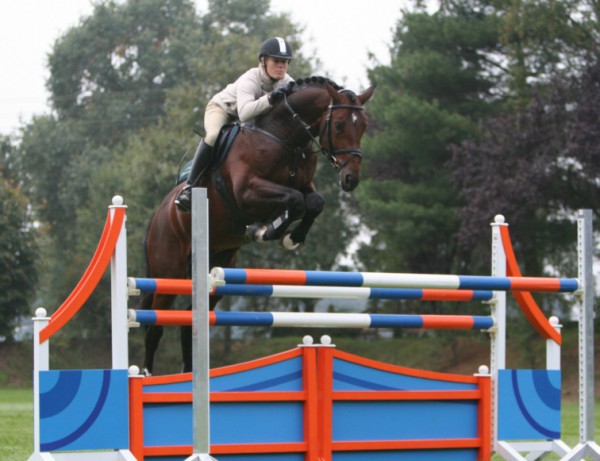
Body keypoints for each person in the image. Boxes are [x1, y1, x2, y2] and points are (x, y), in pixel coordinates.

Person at [175, 36, 295, 212]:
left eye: (285, 62)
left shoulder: (288, 82)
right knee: (213, 135)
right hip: (223, 110)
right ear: (263, 61)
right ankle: (189, 187)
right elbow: (245, 114)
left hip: (253, 119)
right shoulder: (251, 78)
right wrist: (270, 98)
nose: (281, 66)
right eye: (276, 61)